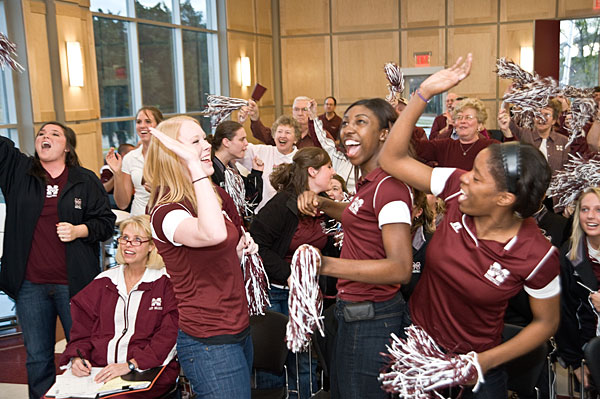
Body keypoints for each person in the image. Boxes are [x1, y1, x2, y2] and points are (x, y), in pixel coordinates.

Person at [379, 54, 561, 398]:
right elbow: (392, 158)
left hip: (476, 366)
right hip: (417, 346)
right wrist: (424, 93)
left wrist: (484, 361)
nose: (464, 179)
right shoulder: (456, 187)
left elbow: (546, 323)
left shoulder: (537, 255)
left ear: (505, 199)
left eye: (476, 178)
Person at [297, 98, 414, 399]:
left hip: (372, 320)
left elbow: (400, 268)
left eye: (360, 122)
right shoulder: (368, 184)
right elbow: (358, 215)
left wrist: (324, 264)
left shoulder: (390, 190)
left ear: (385, 134)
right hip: (355, 315)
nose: (348, 128)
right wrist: (322, 203)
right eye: (346, 122)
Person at [0, 122, 116, 399]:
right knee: (37, 358)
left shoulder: (84, 180)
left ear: (67, 146)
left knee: (85, 352)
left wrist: (79, 230)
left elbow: (105, 223)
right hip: (30, 285)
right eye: (41, 133)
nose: (45, 137)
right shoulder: (19, 172)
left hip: (74, 285)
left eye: (54, 134)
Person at [145, 115, 256, 398]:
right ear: (173, 154)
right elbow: (212, 235)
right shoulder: (166, 211)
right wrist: (195, 165)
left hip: (237, 328)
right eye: (195, 142)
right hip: (209, 341)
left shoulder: (208, 195)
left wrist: (241, 249)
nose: (207, 146)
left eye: (204, 138)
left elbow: (218, 249)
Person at [59, 215, 179, 398]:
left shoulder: (165, 284)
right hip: (100, 371)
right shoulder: (103, 282)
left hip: (147, 371)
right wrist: (77, 357)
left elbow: (169, 338)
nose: (128, 245)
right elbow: (81, 331)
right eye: (124, 238)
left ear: (152, 246)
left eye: (137, 240)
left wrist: (131, 364)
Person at [250, 147, 336, 398]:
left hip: (306, 296)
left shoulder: (321, 205)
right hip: (277, 294)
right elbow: (258, 245)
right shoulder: (281, 204)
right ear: (312, 171)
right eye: (328, 167)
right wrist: (290, 273)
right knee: (273, 365)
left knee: (305, 361)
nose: (332, 172)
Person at [556, 187, 600, 394]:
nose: (590, 216)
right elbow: (564, 312)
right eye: (584, 209)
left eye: (599, 209)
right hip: (589, 352)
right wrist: (574, 363)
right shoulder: (570, 253)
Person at [107, 106, 164, 215]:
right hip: (138, 220)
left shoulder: (170, 155)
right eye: (138, 122)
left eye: (148, 121)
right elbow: (122, 204)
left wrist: (159, 191)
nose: (142, 126)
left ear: (159, 125)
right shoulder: (130, 157)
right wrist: (117, 173)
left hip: (164, 217)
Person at [237, 115, 300, 212]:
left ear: (295, 138)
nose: (282, 135)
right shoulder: (262, 151)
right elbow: (237, 147)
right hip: (262, 214)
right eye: (279, 132)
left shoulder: (301, 158)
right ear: (274, 135)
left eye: (287, 132)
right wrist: (240, 123)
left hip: (292, 216)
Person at [415, 97, 498, 170]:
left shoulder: (491, 147)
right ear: (454, 123)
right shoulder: (444, 146)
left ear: (479, 124)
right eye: (459, 117)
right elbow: (414, 147)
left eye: (468, 117)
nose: (463, 121)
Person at [497, 99, 569, 175]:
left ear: (554, 120)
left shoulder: (564, 141)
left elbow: (566, 169)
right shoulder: (524, 134)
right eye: (538, 115)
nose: (542, 119)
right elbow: (508, 124)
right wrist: (506, 100)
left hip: (556, 185)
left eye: (546, 115)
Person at [211, 120, 263, 223]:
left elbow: (249, 201)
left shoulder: (231, 169)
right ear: (226, 142)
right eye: (242, 139)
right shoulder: (210, 172)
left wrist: (257, 173)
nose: (246, 143)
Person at [239, 96, 334, 149]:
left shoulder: (321, 135)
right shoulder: (283, 133)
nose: (300, 113)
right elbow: (262, 134)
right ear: (292, 112)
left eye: (304, 109)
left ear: (311, 110)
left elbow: (333, 155)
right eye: (296, 109)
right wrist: (254, 116)